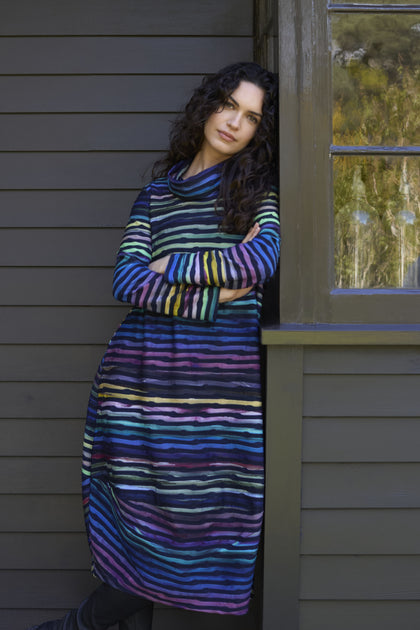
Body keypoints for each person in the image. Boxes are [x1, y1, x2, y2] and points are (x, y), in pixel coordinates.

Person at [28, 61, 280, 630]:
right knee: (137, 523)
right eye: (229, 106)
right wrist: (211, 299)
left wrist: (174, 263)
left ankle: (75, 627)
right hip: (138, 384)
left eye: (251, 117)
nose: (235, 123)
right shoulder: (156, 196)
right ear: (208, 106)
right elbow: (126, 279)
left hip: (217, 397)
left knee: (198, 525)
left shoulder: (255, 191)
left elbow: (258, 261)